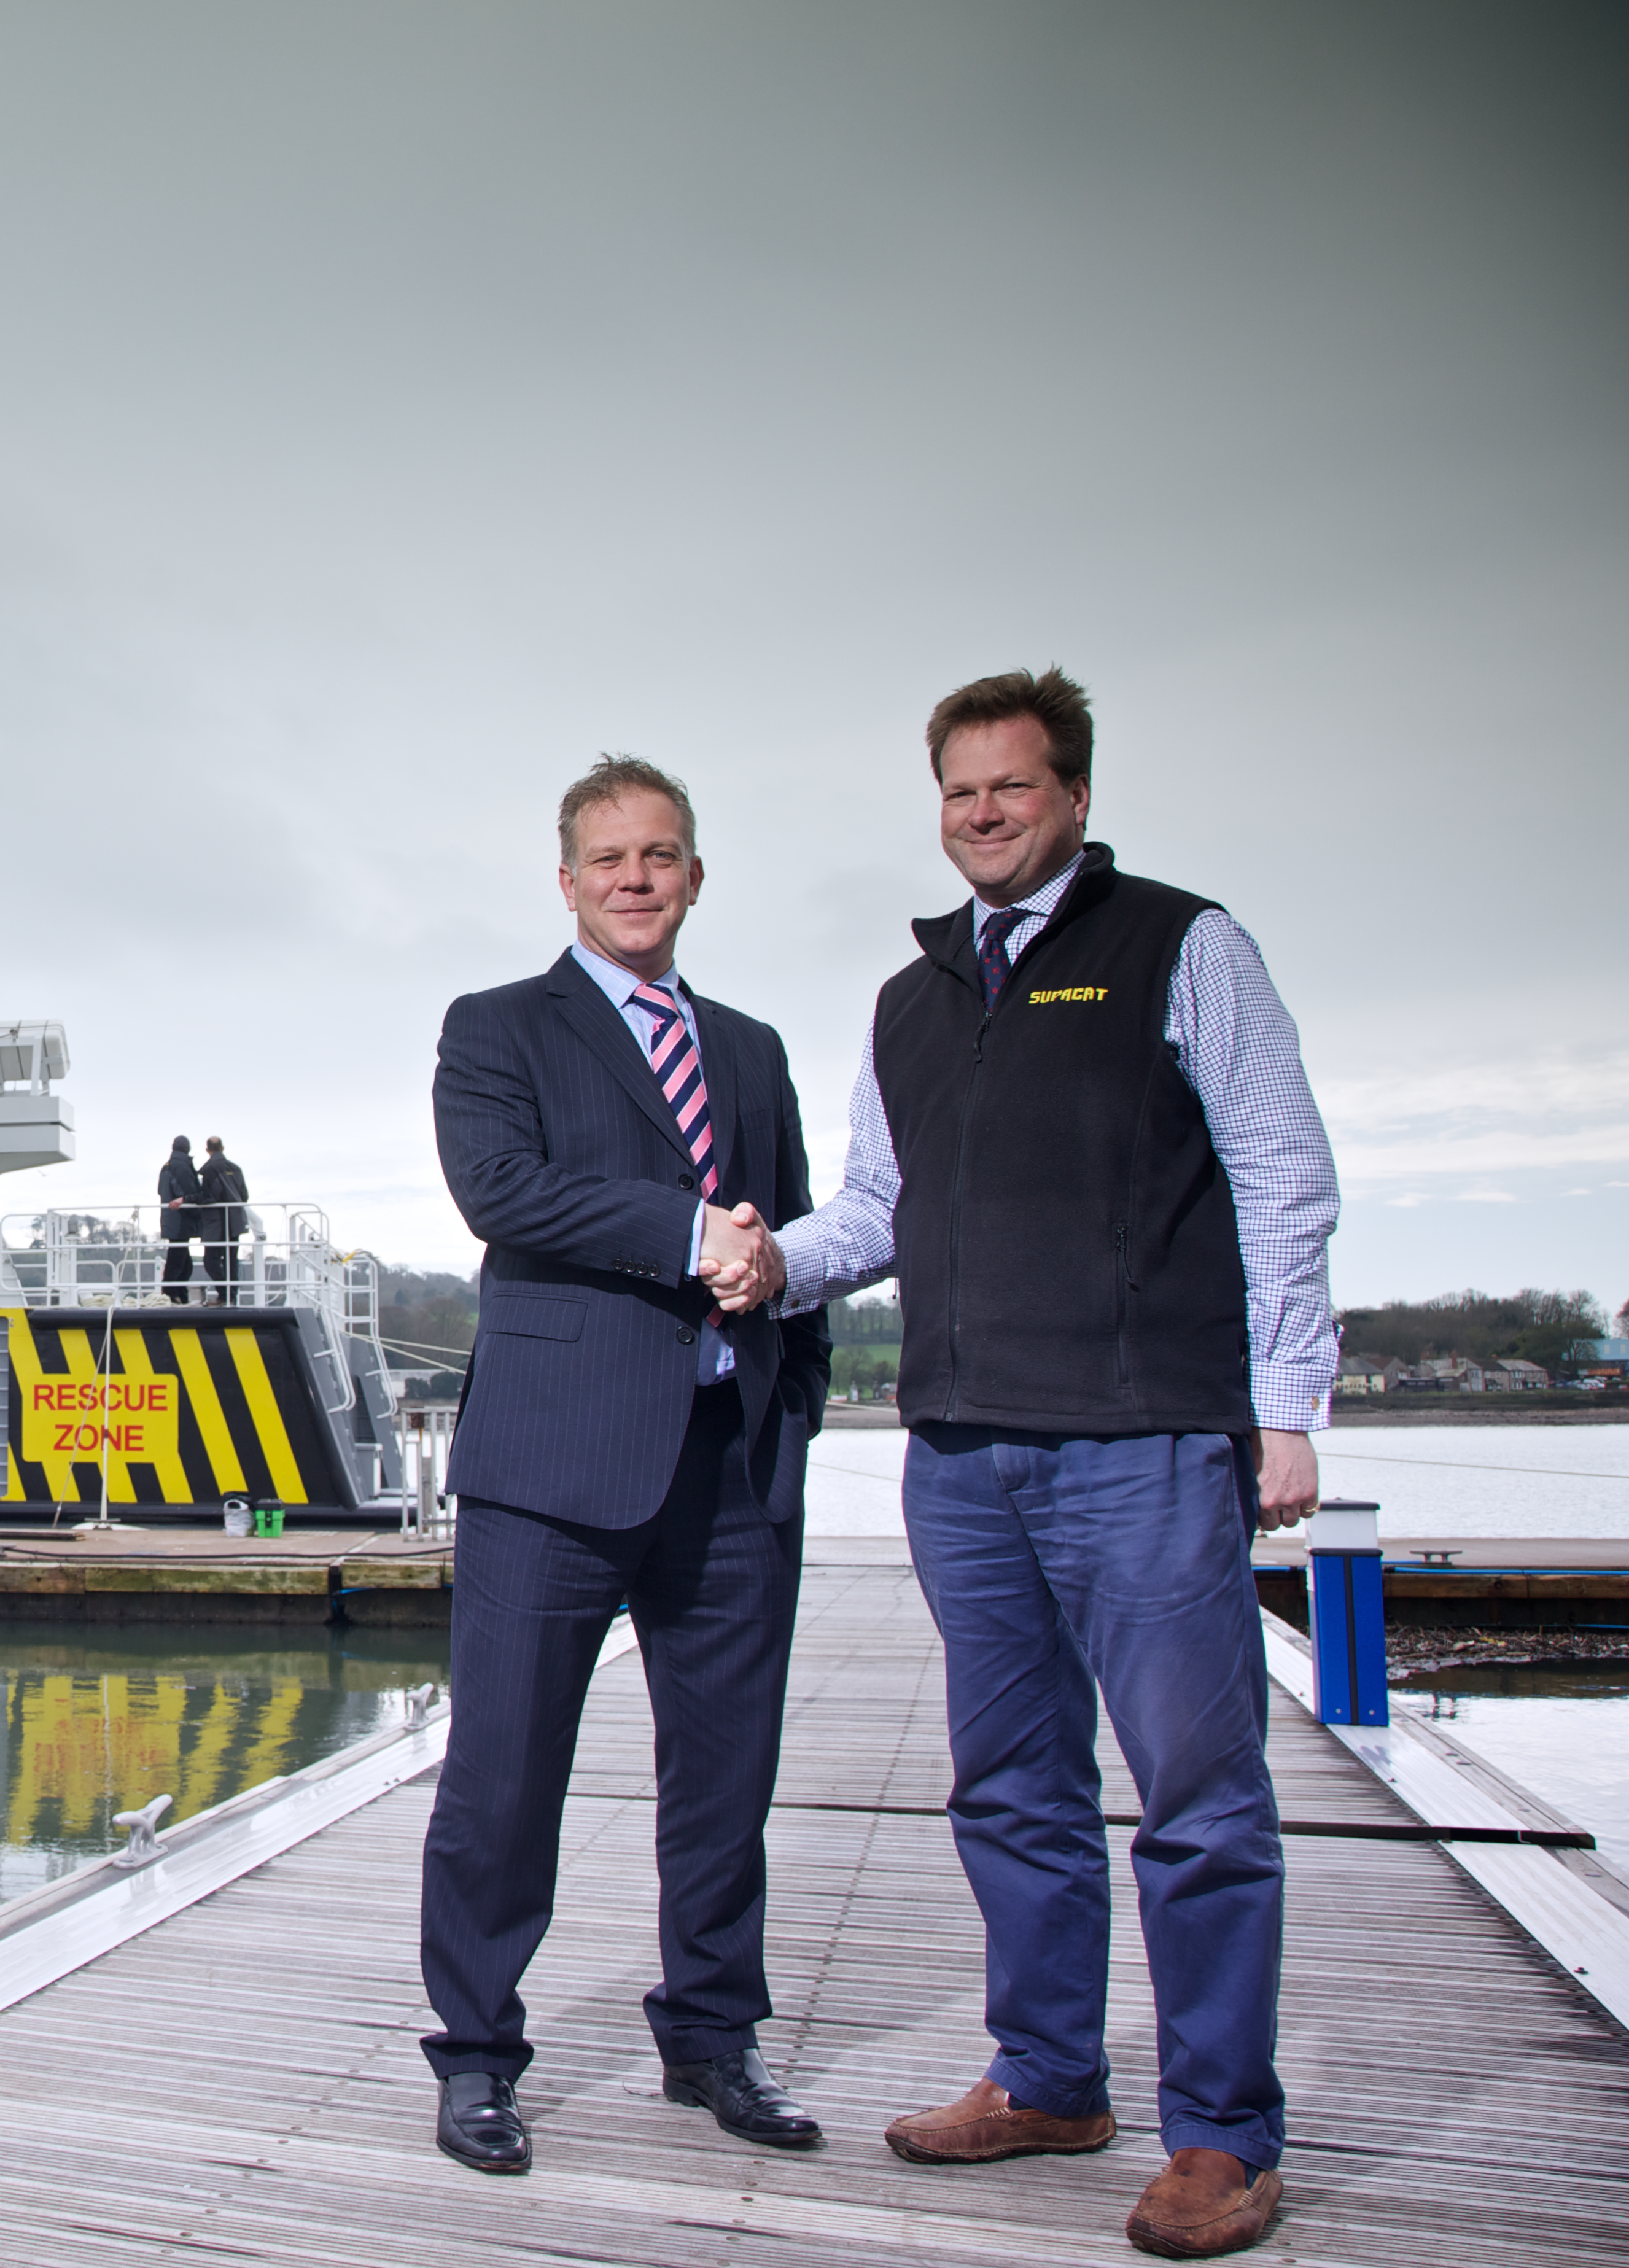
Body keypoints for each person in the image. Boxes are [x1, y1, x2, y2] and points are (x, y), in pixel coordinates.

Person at [765, 669, 1336, 2261]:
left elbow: (1279, 1171)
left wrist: (1282, 1402)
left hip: (1144, 1441)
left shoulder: (1180, 943)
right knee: (1008, 1785)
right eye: (957, 792)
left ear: (1071, 794)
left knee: (1195, 1799)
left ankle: (1220, 2130)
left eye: (1010, 787)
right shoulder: (909, 997)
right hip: (958, 1447)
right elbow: (874, 1214)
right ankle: (1047, 2076)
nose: (983, 814)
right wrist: (754, 1260)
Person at [421, 757, 825, 2178]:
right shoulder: (494, 1029)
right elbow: (503, 1193)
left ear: (694, 875)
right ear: (566, 879)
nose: (634, 877)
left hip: (729, 1465)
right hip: (550, 1466)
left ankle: (711, 2037)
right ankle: (475, 2054)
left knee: (724, 1776)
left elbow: (792, 1247)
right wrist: (682, 1231)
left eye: (659, 854)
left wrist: (798, 1412)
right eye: (607, 857)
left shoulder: (755, 1048)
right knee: (503, 1773)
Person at [194, 1137, 249, 1305]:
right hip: (235, 1222)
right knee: (231, 1261)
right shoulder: (236, 1169)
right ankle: (232, 1296)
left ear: (207, 1150)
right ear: (223, 1148)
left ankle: (225, 1294)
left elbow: (209, 1196)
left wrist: (187, 1199)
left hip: (217, 1224)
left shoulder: (211, 1169)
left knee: (211, 1261)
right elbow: (244, 1196)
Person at [156, 1136, 203, 1303]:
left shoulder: (167, 1167)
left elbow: (161, 1191)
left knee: (183, 1262)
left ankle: (179, 1296)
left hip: (171, 1219)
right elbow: (189, 1192)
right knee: (178, 1263)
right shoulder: (182, 1167)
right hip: (182, 1220)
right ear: (187, 1149)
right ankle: (171, 1295)